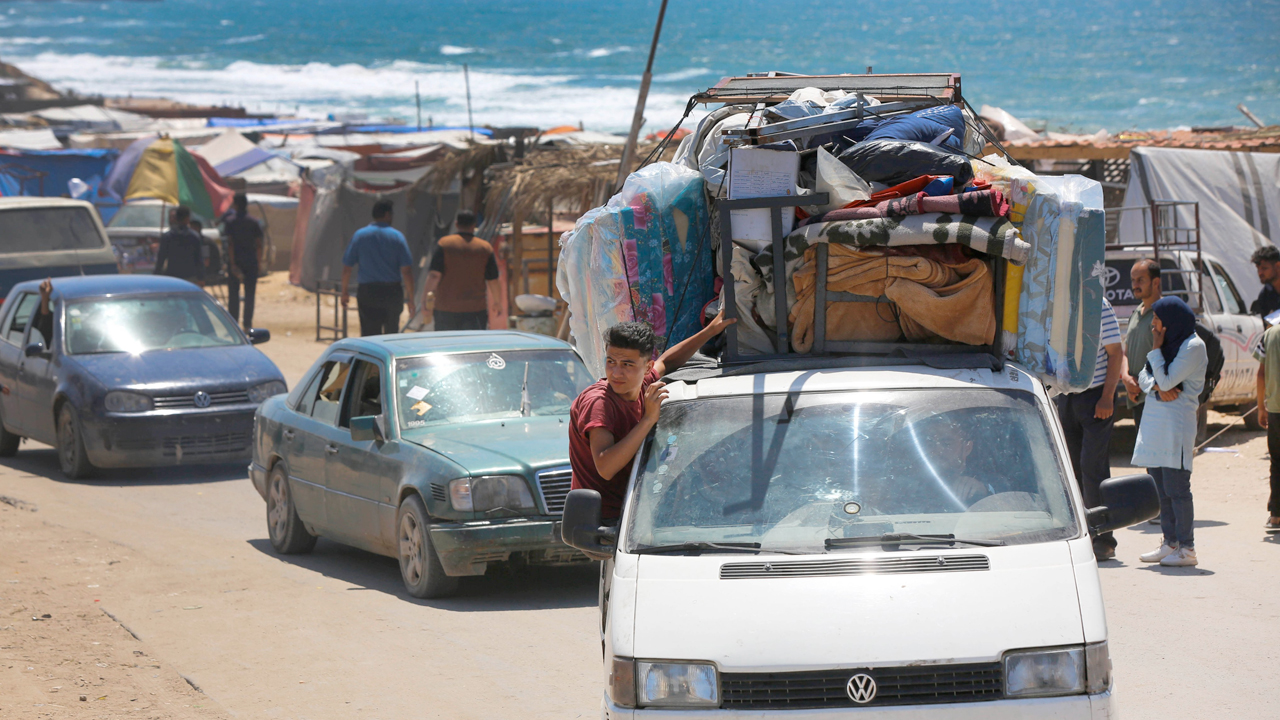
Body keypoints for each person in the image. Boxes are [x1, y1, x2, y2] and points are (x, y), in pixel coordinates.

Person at [568, 313, 735, 522]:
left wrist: (711, 331)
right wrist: (648, 419)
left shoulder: (643, 383)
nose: (616, 373)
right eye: (611, 361)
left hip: (638, 513)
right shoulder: (598, 403)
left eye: (627, 364)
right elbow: (606, 467)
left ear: (647, 367)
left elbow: (668, 361)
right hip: (604, 524)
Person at [1133, 297, 1208, 567]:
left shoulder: (1193, 346)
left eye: (1157, 320)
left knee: (1177, 487)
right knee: (1160, 487)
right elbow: (1144, 376)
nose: (1153, 325)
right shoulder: (1166, 346)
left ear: (1171, 321)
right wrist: (1157, 386)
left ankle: (1187, 549)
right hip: (1155, 423)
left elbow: (1164, 378)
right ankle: (1170, 542)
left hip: (1176, 425)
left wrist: (1156, 354)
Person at [1054, 296, 1124, 561]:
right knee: (1071, 469)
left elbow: (1116, 352)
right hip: (1067, 396)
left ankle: (1104, 538)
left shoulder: (1098, 304)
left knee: (1092, 468)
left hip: (1095, 396)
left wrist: (1107, 397)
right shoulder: (1057, 303)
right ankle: (1082, 533)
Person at [340, 200, 416, 337]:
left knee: (369, 336)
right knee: (391, 336)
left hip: (368, 292)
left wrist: (344, 292)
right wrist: (411, 299)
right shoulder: (397, 237)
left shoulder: (360, 235)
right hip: (392, 292)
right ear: (387, 215)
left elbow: (347, 268)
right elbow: (407, 271)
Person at [421, 210, 500, 331]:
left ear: (457, 224)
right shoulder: (485, 248)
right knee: (472, 347)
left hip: (445, 309)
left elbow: (434, 276)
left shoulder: (445, 244)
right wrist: (497, 302)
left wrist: (425, 301)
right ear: (474, 225)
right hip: (475, 310)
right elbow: (493, 280)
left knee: (447, 347)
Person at [1122, 259, 1162, 429]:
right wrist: (1126, 378)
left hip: (1158, 399)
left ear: (1156, 282)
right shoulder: (1136, 312)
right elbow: (1125, 352)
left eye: (1141, 280)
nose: (1135, 285)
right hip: (1137, 399)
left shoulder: (1163, 312)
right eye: (1133, 280)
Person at [221, 193, 264, 330]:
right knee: (249, 294)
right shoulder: (254, 221)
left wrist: (232, 264)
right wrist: (258, 262)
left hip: (236, 261)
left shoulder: (230, 221)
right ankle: (247, 324)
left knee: (234, 295)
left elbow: (230, 244)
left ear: (236, 205)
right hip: (251, 261)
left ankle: (234, 326)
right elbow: (259, 244)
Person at [1254, 321, 1280, 531]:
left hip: (1275, 409)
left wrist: (1261, 407)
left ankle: (1276, 515)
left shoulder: (1270, 335)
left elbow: (1261, 373)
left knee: (1277, 462)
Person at [154, 205, 204, 285]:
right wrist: (201, 278)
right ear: (188, 218)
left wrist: (156, 275)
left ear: (176, 218)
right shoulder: (194, 237)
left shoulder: (167, 236)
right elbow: (199, 259)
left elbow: (161, 258)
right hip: (190, 278)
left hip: (172, 278)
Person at [1250, 245, 1280, 318]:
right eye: (1258, 269)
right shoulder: (1265, 296)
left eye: (1264, 268)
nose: (1260, 273)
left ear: (1278, 266)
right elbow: (1270, 327)